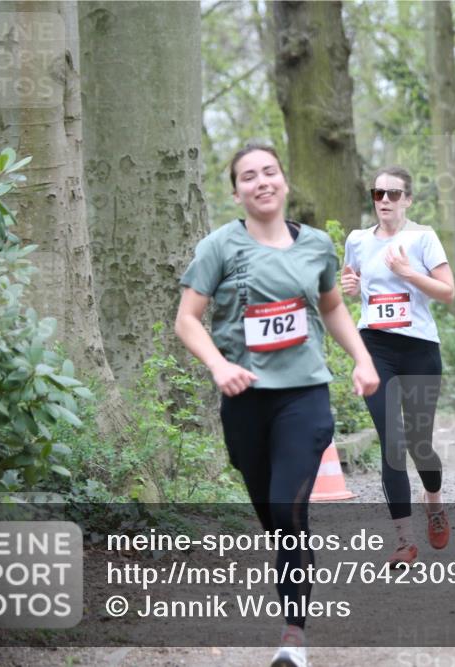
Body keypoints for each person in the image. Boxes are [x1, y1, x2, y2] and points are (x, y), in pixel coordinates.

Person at [174, 143, 379, 667]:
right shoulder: (218, 247)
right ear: (237, 191)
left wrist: (361, 359)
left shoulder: (315, 246)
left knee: (289, 509)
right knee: (274, 515)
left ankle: (293, 635)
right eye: (249, 176)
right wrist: (220, 366)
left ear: (284, 181)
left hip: (304, 395)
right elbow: (187, 319)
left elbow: (332, 308)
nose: (261, 182)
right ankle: (295, 572)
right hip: (244, 401)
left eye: (270, 172)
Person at [341, 166, 455, 567]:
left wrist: (408, 273)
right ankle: (404, 541)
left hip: (420, 350)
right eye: (378, 194)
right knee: (391, 443)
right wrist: (351, 287)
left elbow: (447, 292)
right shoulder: (356, 240)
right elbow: (351, 280)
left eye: (393, 194)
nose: (385, 201)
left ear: (407, 200)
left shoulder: (423, 238)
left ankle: (435, 502)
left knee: (419, 444)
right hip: (375, 347)